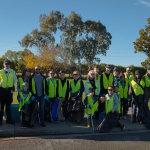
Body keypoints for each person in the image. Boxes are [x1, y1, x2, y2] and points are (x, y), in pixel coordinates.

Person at [0, 59, 17, 125]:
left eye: (8, 64)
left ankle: (8, 119)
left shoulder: (13, 71)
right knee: (1, 106)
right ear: (4, 64)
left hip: (9, 91)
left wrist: (11, 86)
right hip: (2, 90)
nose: (7, 65)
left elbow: (15, 80)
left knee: (8, 106)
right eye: (6, 64)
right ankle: (0, 120)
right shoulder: (0, 71)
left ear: (10, 64)